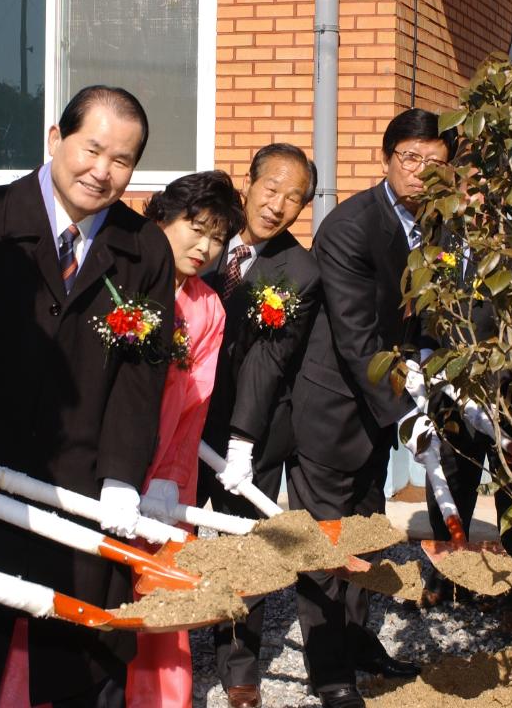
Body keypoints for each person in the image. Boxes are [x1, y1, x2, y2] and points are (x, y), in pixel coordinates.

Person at [0, 85, 175, 708]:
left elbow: (140, 375)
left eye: (122, 160)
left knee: (80, 662)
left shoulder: (143, 247)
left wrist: (123, 476)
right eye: (91, 149)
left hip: (79, 485)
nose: (102, 171)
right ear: (54, 139)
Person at [288, 109, 453, 708]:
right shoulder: (351, 226)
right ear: (387, 159)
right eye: (409, 158)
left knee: (369, 530)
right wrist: (406, 411)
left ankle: (357, 643)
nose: (419, 172)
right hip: (334, 407)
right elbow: (358, 339)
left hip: (379, 407)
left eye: (434, 163)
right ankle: (329, 672)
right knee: (327, 542)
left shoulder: (437, 226)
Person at [198, 143, 322, 708]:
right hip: (182, 414)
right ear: (248, 181)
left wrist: (242, 439)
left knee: (244, 543)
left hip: (253, 426)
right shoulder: (204, 233)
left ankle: (239, 665)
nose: (277, 205)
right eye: (271, 188)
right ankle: (159, 645)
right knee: (162, 529)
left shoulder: (298, 270)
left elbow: (268, 361)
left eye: (294, 198)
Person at [126, 170, 242, 708]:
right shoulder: (123, 279)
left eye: (218, 237)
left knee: (161, 603)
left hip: (169, 474)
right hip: (110, 465)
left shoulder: (207, 307)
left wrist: (171, 481)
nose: (206, 247)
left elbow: (196, 404)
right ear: (162, 218)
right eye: (196, 227)